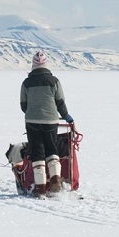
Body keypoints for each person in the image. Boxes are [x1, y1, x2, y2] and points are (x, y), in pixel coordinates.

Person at [20, 51, 73, 196]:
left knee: (37, 152)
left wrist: (32, 112)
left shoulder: (26, 83)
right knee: (52, 148)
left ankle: (40, 188)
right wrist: (66, 116)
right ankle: (55, 180)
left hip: (32, 121)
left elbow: (23, 105)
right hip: (51, 120)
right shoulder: (54, 81)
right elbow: (60, 102)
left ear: (33, 65)